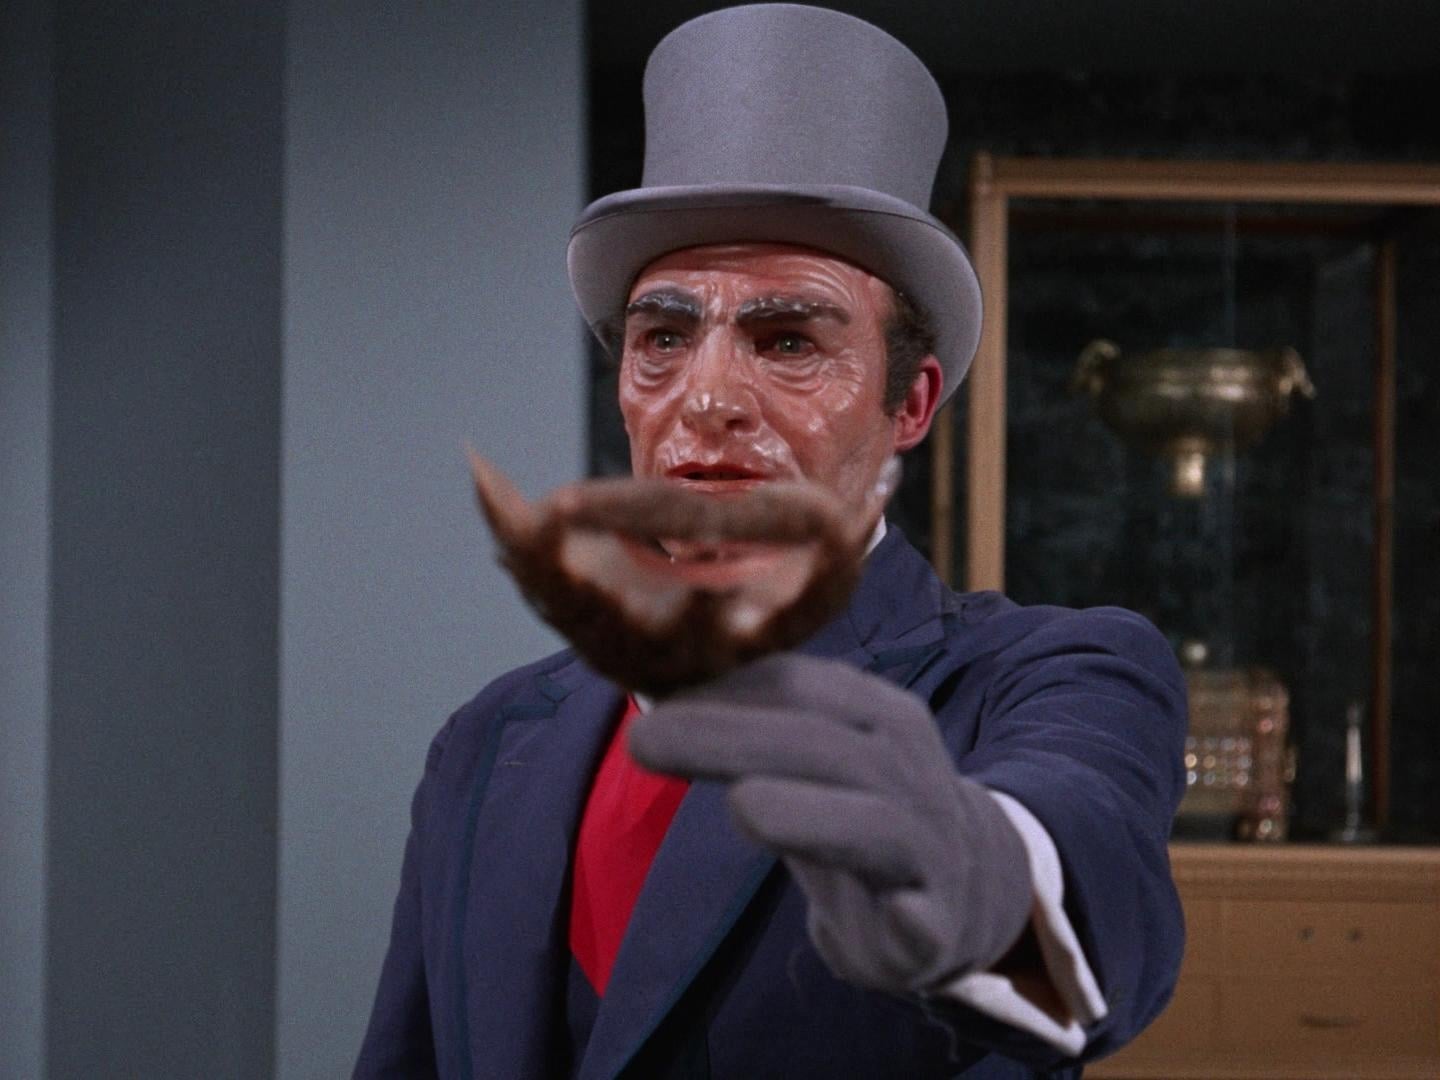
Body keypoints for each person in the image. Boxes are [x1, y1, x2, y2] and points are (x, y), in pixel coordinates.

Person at [354, 5, 1186, 1078]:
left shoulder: (1042, 676)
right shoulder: (487, 742)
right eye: (663, 336)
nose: (706, 399)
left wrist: (973, 885)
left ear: (909, 403)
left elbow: (1077, 927)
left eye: (788, 340)